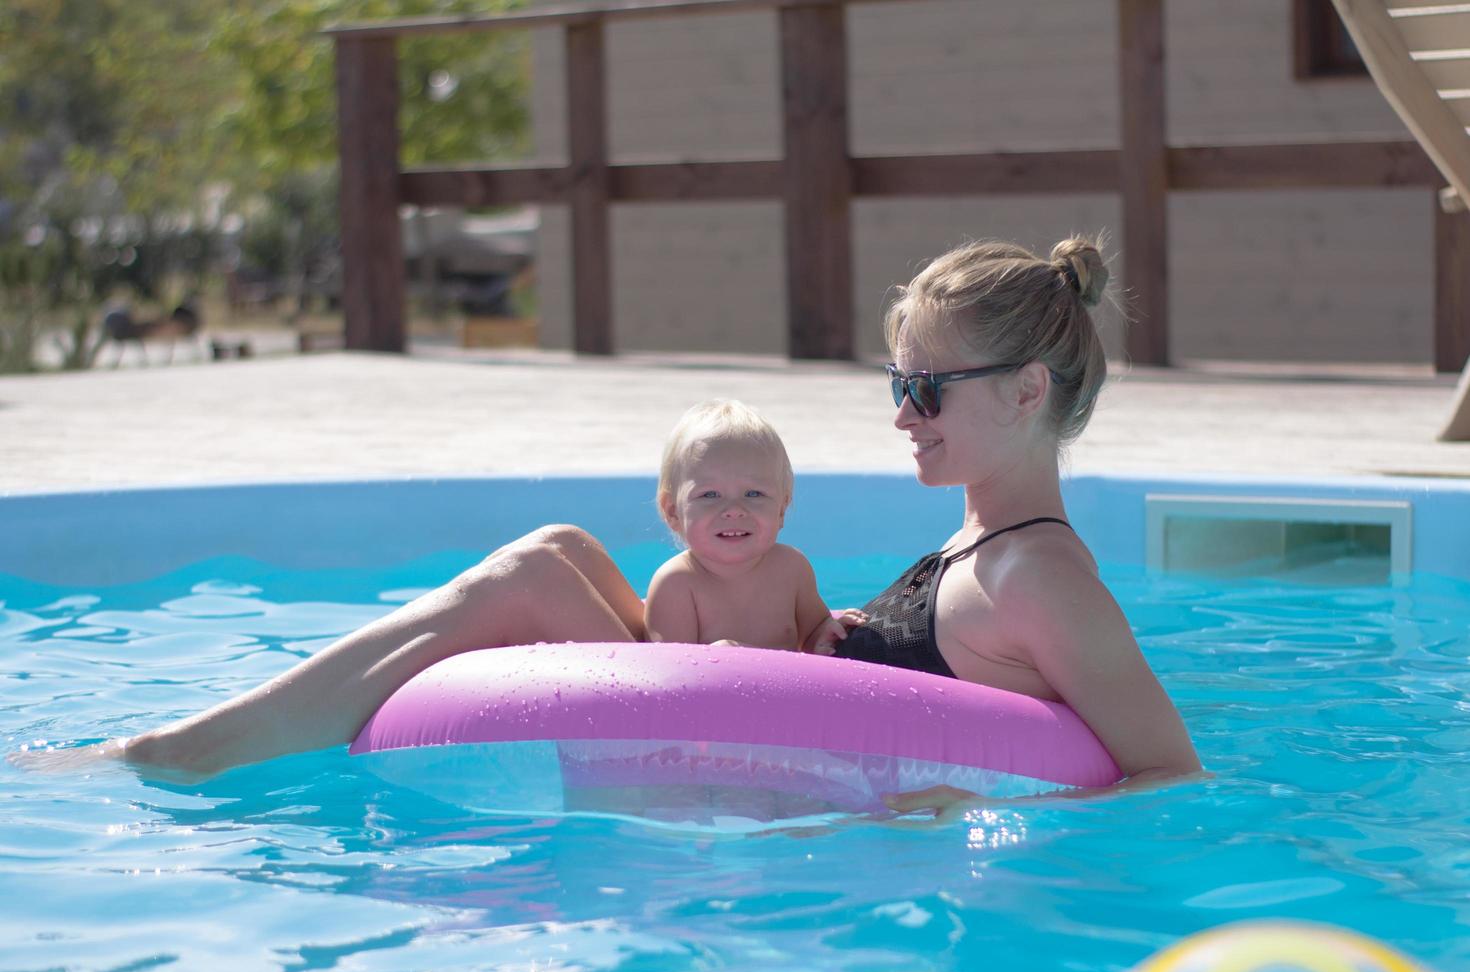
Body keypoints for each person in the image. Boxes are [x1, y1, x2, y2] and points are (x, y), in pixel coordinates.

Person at [31, 235, 1201, 802]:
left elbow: (1168, 775)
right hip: (745, 710)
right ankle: (199, 740)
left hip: (784, 770)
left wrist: (970, 813)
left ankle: (190, 752)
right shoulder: (974, 542)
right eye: (895, 384)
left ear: (1027, 390)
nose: (902, 415)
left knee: (532, 569)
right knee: (556, 555)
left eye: (924, 388)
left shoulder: (1042, 576)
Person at [644, 398, 865, 653]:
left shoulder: (791, 568)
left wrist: (827, 633)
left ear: (781, 508)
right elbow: (671, 675)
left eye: (754, 494)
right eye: (709, 495)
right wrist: (721, 663)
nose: (735, 510)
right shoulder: (676, 584)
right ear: (672, 512)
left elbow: (813, 637)